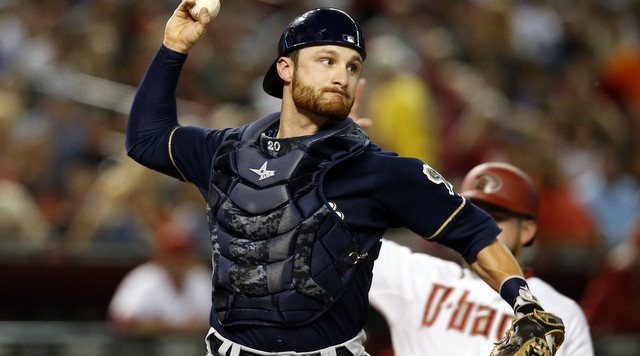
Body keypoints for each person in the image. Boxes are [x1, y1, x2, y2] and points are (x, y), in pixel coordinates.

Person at [125, 1, 564, 354]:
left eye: (353, 66)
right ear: (286, 69)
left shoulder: (379, 171)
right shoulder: (225, 151)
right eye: (327, 60)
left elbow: (475, 232)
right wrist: (174, 47)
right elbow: (146, 138)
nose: (342, 75)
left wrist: (524, 303)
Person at [369, 162, 593, 355]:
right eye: (472, 215)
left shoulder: (560, 310)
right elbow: (343, 232)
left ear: (527, 230)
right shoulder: (419, 276)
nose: (480, 227)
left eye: (496, 217)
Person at [108, 218, 212, 337]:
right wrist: (185, 327)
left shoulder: (202, 279)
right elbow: (121, 321)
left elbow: (222, 324)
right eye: (171, 254)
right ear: (159, 255)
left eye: (182, 254)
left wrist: (161, 325)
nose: (177, 261)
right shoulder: (143, 278)